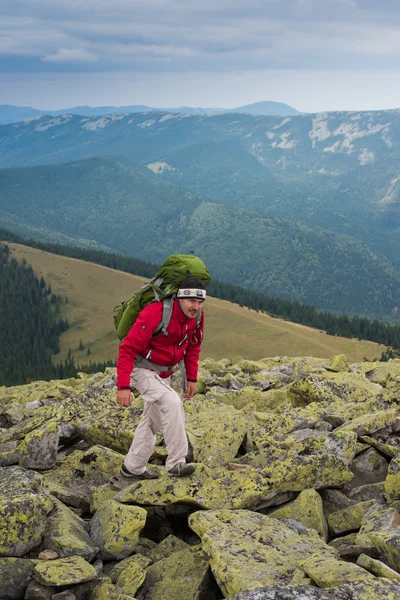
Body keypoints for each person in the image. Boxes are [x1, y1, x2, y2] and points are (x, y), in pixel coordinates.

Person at [116, 276, 206, 479]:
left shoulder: (197, 318)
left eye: (200, 302)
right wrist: (123, 386)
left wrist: (191, 378)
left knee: (152, 421)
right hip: (141, 369)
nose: (196, 307)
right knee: (172, 402)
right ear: (180, 298)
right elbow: (127, 349)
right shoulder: (155, 312)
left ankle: (132, 468)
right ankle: (176, 463)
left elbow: (193, 346)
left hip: (164, 373)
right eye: (192, 301)